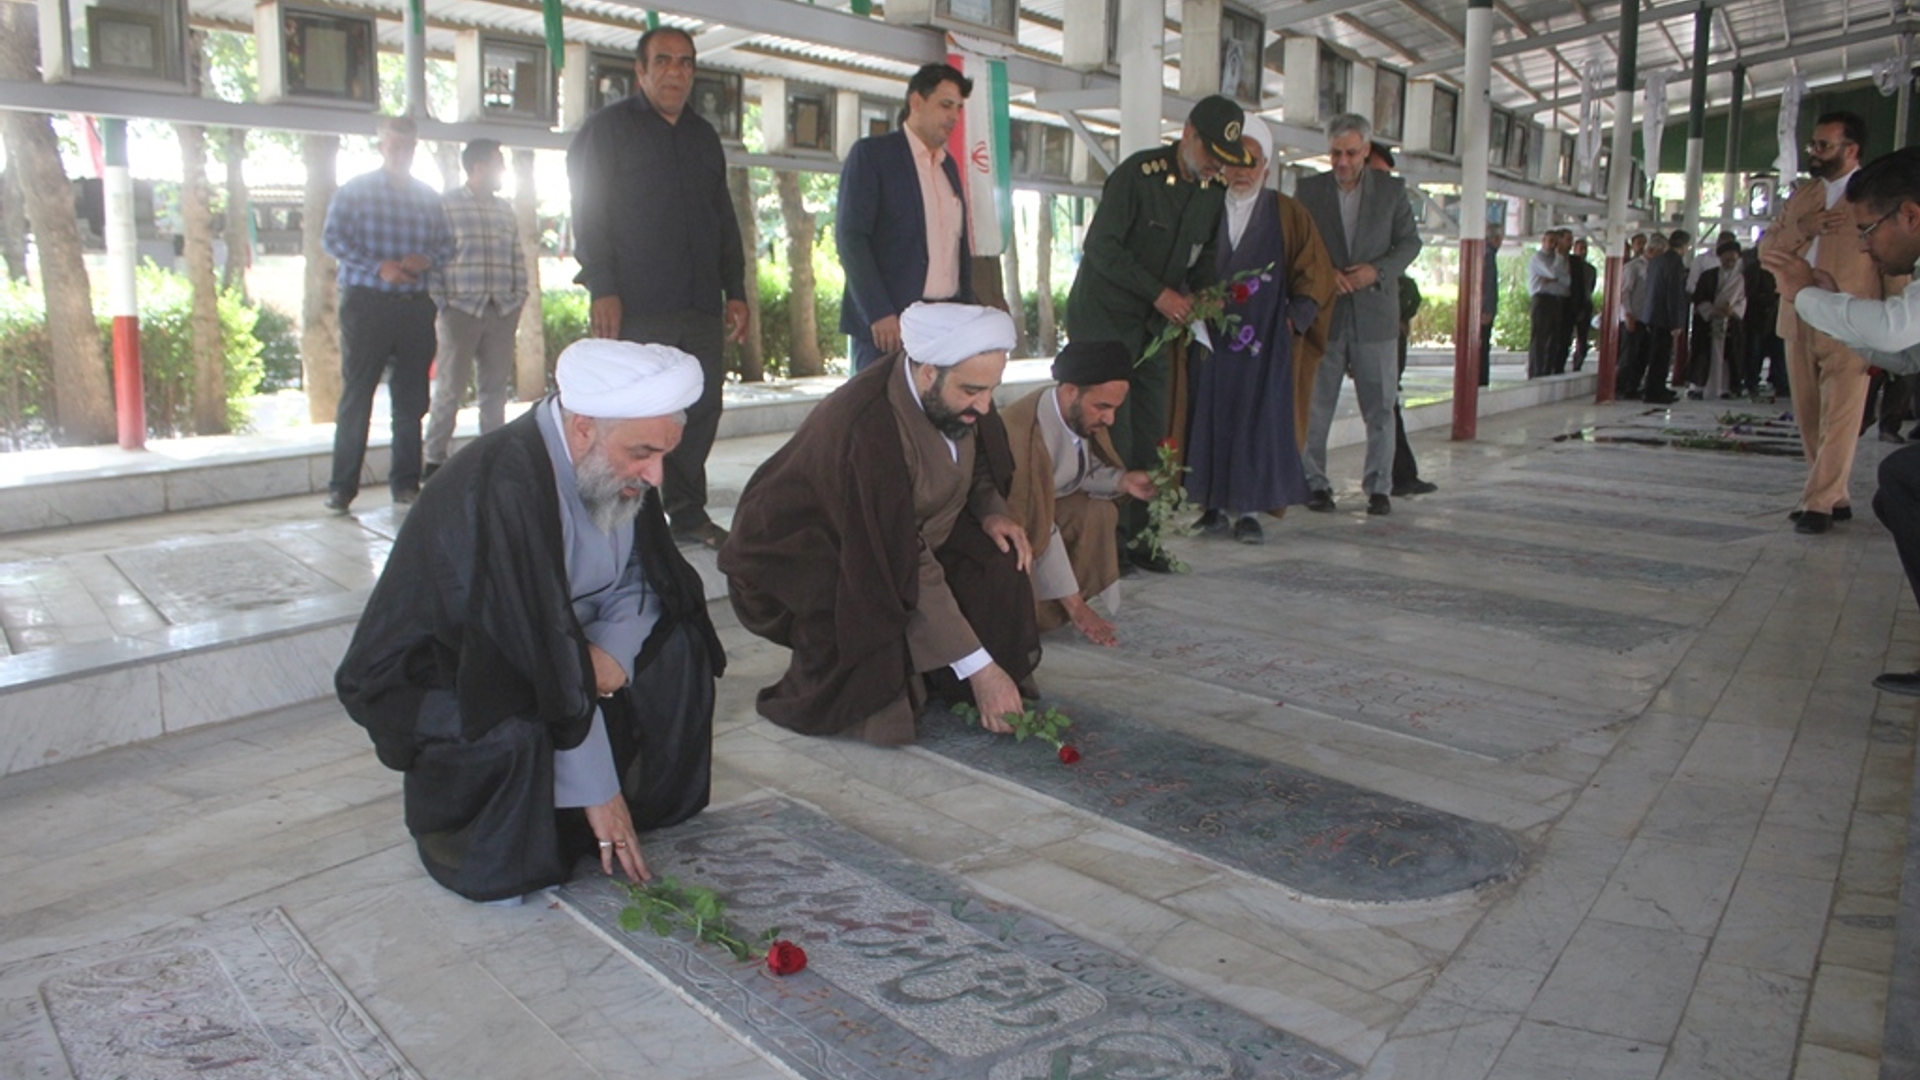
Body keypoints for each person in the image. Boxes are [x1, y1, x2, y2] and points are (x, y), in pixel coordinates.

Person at [335, 339, 726, 904]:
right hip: (453, 668)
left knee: (679, 646)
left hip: (556, 645)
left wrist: (611, 655)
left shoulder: (613, 466)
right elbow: (526, 649)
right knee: (514, 727)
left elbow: (644, 576)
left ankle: (633, 807)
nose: (656, 473)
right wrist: (598, 787)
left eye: (664, 454)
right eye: (644, 452)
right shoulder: (507, 483)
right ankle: (545, 828)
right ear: (584, 427)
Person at [720, 303, 1041, 744]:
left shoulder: (956, 395)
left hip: (902, 537)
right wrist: (981, 669)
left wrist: (992, 512)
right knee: (881, 689)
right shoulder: (870, 428)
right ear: (929, 373)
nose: (985, 407)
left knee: (998, 559)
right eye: (973, 391)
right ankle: (949, 670)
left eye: (991, 390)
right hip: (806, 556)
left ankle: (956, 672)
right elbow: (897, 554)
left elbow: (979, 461)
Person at [567, 26, 750, 551]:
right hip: (637, 304)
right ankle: (623, 520)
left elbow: (723, 218)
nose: (676, 71)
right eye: (664, 61)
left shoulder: (703, 136)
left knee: (702, 407)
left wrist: (735, 288)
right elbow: (588, 212)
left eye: (686, 62)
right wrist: (602, 284)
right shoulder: (608, 130)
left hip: (700, 302)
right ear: (641, 71)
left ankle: (687, 513)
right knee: (635, 415)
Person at [1066, 94, 1252, 570]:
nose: (1216, 168)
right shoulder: (1139, 176)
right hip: (1106, 321)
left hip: (1154, 330)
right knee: (1113, 431)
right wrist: (1159, 294)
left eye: (1224, 161)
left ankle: (1142, 539)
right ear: (1187, 133)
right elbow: (1102, 248)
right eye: (1211, 154)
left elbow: (1203, 257)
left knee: (1153, 432)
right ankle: (1106, 543)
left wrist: (1206, 296)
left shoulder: (1211, 192)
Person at [1761, 146, 1920, 692]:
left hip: (1845, 315)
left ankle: (1825, 496)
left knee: (1900, 476)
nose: (1864, 245)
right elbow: (1907, 356)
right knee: (1895, 494)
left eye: (1868, 230)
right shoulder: (1804, 197)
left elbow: (1897, 329)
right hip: (1822, 325)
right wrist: (1823, 305)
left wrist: (1807, 294)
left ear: (1910, 215)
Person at [1179, 124, 1335, 542]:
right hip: (1207, 338)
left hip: (1262, 341)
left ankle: (1248, 511)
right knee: (1206, 418)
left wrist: (1295, 317)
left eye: (1253, 162)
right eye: (1234, 161)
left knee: (1255, 421)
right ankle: (1211, 507)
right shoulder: (1204, 206)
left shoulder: (1287, 213)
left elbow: (1315, 271)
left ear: (1267, 167)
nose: (1242, 171)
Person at [1758, 111, 1888, 535]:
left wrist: (1891, 327)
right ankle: (1834, 494)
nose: (1814, 153)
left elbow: (1896, 262)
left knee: (1842, 415)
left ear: (1852, 150)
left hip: (1852, 319)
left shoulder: (1876, 194)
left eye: (1824, 146)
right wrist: (1803, 228)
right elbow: (1767, 250)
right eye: (1813, 145)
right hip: (1798, 315)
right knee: (1809, 414)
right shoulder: (1803, 196)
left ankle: (1818, 502)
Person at [321, 115, 453, 514]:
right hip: (367, 305)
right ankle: (341, 488)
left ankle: (406, 484)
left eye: (407, 147)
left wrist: (426, 258)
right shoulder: (354, 191)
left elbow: (448, 246)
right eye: (393, 146)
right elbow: (332, 239)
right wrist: (378, 267)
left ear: (415, 148)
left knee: (411, 401)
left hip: (414, 307)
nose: (400, 153)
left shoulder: (428, 197)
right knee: (357, 396)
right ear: (381, 147)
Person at [1296, 113, 1423, 516]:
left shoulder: (1391, 191)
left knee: (1381, 406)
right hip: (1326, 314)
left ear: (1366, 151)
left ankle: (1379, 487)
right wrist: (1324, 274)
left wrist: (1376, 271)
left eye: (1351, 153)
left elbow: (1410, 244)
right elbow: (1298, 246)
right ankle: (1314, 484)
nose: (1342, 162)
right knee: (1316, 406)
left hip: (1376, 316)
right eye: (1335, 153)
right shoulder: (1308, 191)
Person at [1002, 341, 1156, 645]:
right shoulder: (1021, 434)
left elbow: (1080, 470)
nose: (1110, 419)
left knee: (1099, 510)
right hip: (1016, 528)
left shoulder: (1074, 412)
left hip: (1045, 514)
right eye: (1103, 407)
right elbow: (1034, 520)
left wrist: (1123, 481)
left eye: (1114, 408)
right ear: (1071, 391)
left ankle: (1061, 606)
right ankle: (1053, 609)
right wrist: (1077, 607)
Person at [836, 63, 975, 372]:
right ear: (916, 102)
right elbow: (851, 238)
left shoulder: (948, 167)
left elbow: (956, 247)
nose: (954, 116)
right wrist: (878, 311)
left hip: (945, 321)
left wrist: (967, 310)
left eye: (959, 108)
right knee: (882, 402)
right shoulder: (873, 156)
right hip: (890, 325)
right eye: (946, 105)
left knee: (937, 404)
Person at [423, 138, 527, 480]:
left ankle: (491, 460)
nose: (503, 170)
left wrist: (518, 298)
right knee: (449, 391)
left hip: (501, 311)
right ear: (478, 167)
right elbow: (433, 258)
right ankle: (433, 461)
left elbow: (516, 256)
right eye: (499, 163)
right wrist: (444, 304)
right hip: (460, 312)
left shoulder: (505, 210)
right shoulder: (446, 206)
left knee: (494, 393)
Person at [1361, 141, 1437, 499]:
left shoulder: (1391, 213)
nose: (1384, 184)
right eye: (1377, 175)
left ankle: (1397, 476)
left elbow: (1402, 265)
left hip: (1381, 324)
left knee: (1386, 403)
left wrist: (1400, 313)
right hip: (1339, 322)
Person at [1633, 230, 1689, 405]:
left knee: (1655, 354)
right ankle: (1655, 392)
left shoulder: (1657, 260)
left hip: (1652, 313)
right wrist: (1676, 322)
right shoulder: (1675, 262)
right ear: (1684, 245)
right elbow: (1674, 293)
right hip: (1664, 316)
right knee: (1661, 356)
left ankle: (1657, 388)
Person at [1686, 240, 1747, 399]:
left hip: (1730, 321)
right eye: (1727, 258)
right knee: (1703, 355)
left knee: (1728, 356)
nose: (1730, 262)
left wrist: (1731, 311)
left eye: (1733, 259)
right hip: (1708, 321)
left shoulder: (1739, 279)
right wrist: (1713, 310)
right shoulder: (1708, 275)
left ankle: (1724, 389)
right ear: (1720, 258)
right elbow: (1699, 297)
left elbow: (1742, 300)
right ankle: (1698, 387)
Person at [1527, 229, 1570, 378]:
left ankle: (1548, 370)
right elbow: (1552, 273)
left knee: (1553, 337)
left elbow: (1566, 281)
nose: (1553, 245)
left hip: (1555, 300)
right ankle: (1536, 371)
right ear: (1543, 241)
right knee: (1540, 337)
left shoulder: (1559, 259)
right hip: (1541, 299)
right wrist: (1555, 276)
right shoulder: (1538, 258)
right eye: (1550, 241)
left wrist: (1553, 278)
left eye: (1556, 242)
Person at [1616, 233, 1650, 397]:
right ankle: (1622, 387)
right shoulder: (1633, 267)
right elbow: (1624, 292)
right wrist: (1628, 314)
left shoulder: (1652, 267)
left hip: (1645, 317)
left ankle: (1634, 386)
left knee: (1641, 355)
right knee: (1629, 355)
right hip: (1632, 317)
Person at [1566, 237, 1596, 372]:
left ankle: (1578, 363)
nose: (1583, 251)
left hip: (1586, 303)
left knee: (1583, 337)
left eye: (1585, 249)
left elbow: (1590, 287)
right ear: (1574, 249)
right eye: (1580, 248)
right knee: (1566, 336)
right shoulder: (1568, 265)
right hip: (1570, 304)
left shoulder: (1591, 269)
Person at [1479, 224, 1503, 388]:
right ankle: (1481, 379)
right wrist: (1486, 309)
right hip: (1484, 310)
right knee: (1483, 345)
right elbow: (1487, 284)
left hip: (1484, 307)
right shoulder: (1488, 255)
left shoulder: (1485, 253)